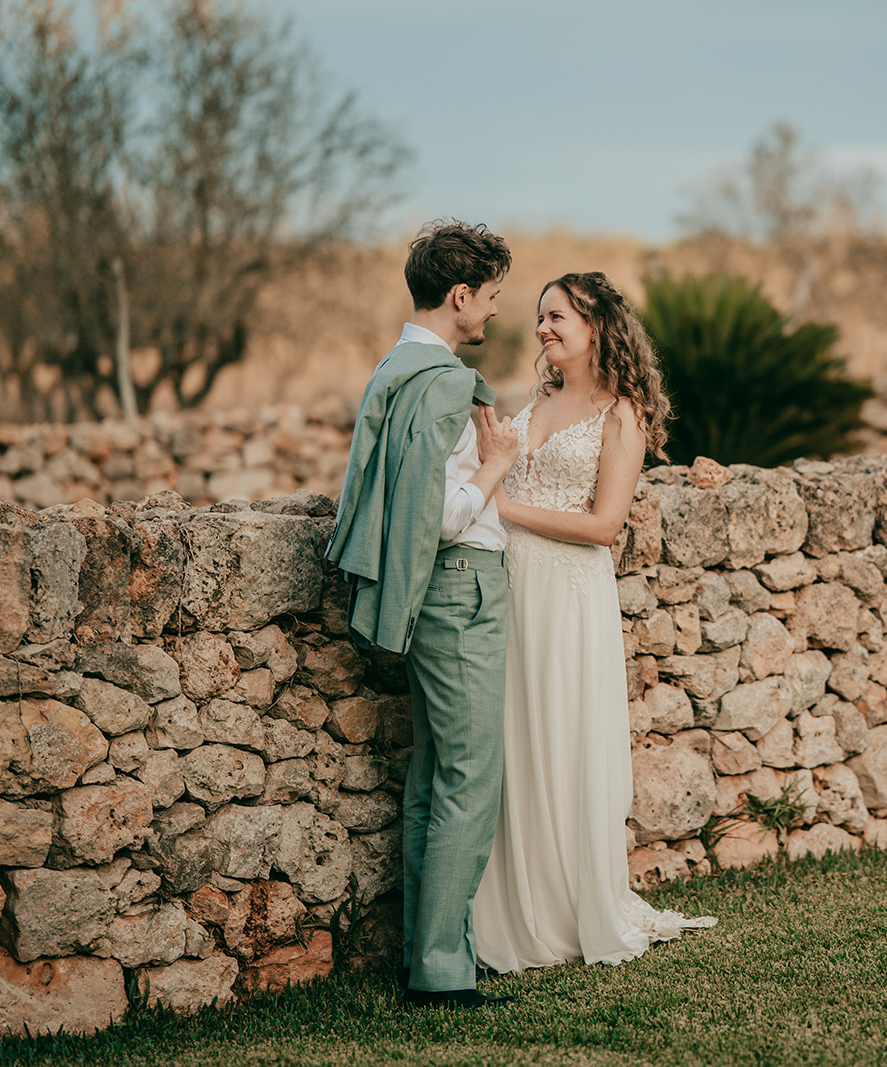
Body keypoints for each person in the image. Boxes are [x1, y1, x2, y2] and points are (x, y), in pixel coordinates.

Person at [472, 271, 716, 974]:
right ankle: (514, 903)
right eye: (541, 317)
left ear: (597, 326)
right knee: (515, 738)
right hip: (511, 585)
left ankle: (566, 908)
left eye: (558, 317)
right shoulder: (540, 396)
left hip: (568, 592)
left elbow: (605, 524)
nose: (543, 328)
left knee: (561, 736)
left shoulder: (621, 413)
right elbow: (506, 469)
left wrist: (501, 508)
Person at [326, 220, 519, 1010]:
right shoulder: (442, 382)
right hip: (461, 589)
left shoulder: (392, 369)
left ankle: (424, 955)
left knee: (432, 777)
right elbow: (434, 516)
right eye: (493, 297)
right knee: (471, 778)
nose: (496, 314)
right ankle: (442, 970)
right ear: (461, 294)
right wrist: (499, 464)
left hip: (430, 598)